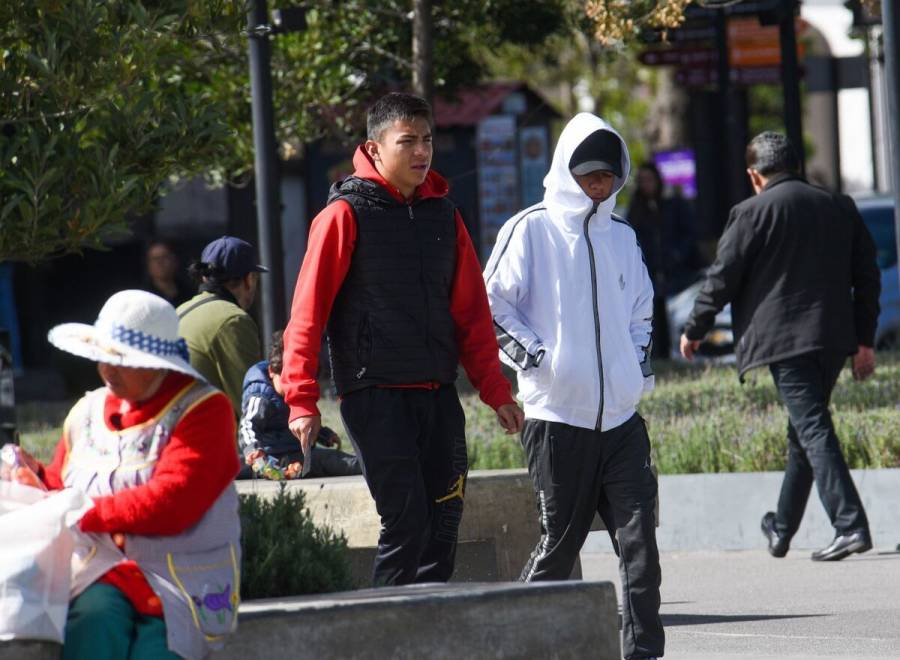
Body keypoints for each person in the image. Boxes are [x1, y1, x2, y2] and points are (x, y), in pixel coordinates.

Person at [280, 92, 524, 586]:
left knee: (445, 524)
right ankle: (384, 628)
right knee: (406, 520)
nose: (421, 152)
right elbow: (307, 314)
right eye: (407, 141)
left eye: (427, 140)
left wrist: (496, 390)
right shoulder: (343, 215)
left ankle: (429, 628)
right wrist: (301, 400)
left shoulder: (444, 214)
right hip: (375, 394)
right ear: (373, 149)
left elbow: (472, 314)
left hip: (436, 392)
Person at [484, 112, 663, 660]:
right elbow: (489, 307)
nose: (598, 185)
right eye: (587, 175)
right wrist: (538, 360)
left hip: (622, 423)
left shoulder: (623, 237)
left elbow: (642, 312)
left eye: (607, 175)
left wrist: (634, 368)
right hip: (558, 420)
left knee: (641, 549)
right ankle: (516, 645)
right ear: (564, 171)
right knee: (557, 549)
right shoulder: (529, 229)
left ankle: (642, 653)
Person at [680, 131, 881, 562]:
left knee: (812, 428)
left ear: (755, 175)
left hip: (784, 343)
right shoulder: (838, 205)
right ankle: (782, 528)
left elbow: (722, 277)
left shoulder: (750, 212)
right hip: (833, 338)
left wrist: (695, 328)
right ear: (795, 166)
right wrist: (864, 339)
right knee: (803, 432)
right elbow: (867, 276)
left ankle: (850, 525)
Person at [12, 289, 241, 659]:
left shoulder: (205, 410)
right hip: (98, 572)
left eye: (121, 359)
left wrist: (80, 511)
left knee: (157, 650)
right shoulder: (87, 410)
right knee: (91, 628)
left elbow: (173, 502)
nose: (107, 369)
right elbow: (63, 480)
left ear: (157, 363)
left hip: (180, 580)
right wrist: (33, 475)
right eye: (102, 356)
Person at [239, 331, 361, 479]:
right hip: (268, 459)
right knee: (234, 467)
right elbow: (247, 426)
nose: (293, 387)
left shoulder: (295, 395)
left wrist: (323, 435)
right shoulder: (261, 396)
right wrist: (253, 450)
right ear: (272, 371)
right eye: (288, 380)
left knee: (337, 460)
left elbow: (300, 423)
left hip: (298, 454)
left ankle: (372, 468)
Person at [177, 236, 267, 417]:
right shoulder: (234, 320)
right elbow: (253, 402)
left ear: (204, 276)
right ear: (250, 279)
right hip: (206, 437)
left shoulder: (179, 311)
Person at [626, 162, 702, 358]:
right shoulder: (636, 210)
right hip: (649, 275)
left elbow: (690, 234)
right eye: (642, 181)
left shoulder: (674, 204)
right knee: (653, 319)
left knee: (677, 316)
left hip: (677, 274)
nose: (646, 185)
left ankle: (680, 354)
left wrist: (677, 255)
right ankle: (659, 356)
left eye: (649, 179)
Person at [142, 240, 191, 307]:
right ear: (148, 265)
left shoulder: (189, 293)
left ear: (174, 261)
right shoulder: (144, 296)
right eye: (155, 259)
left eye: (164, 257)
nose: (160, 262)